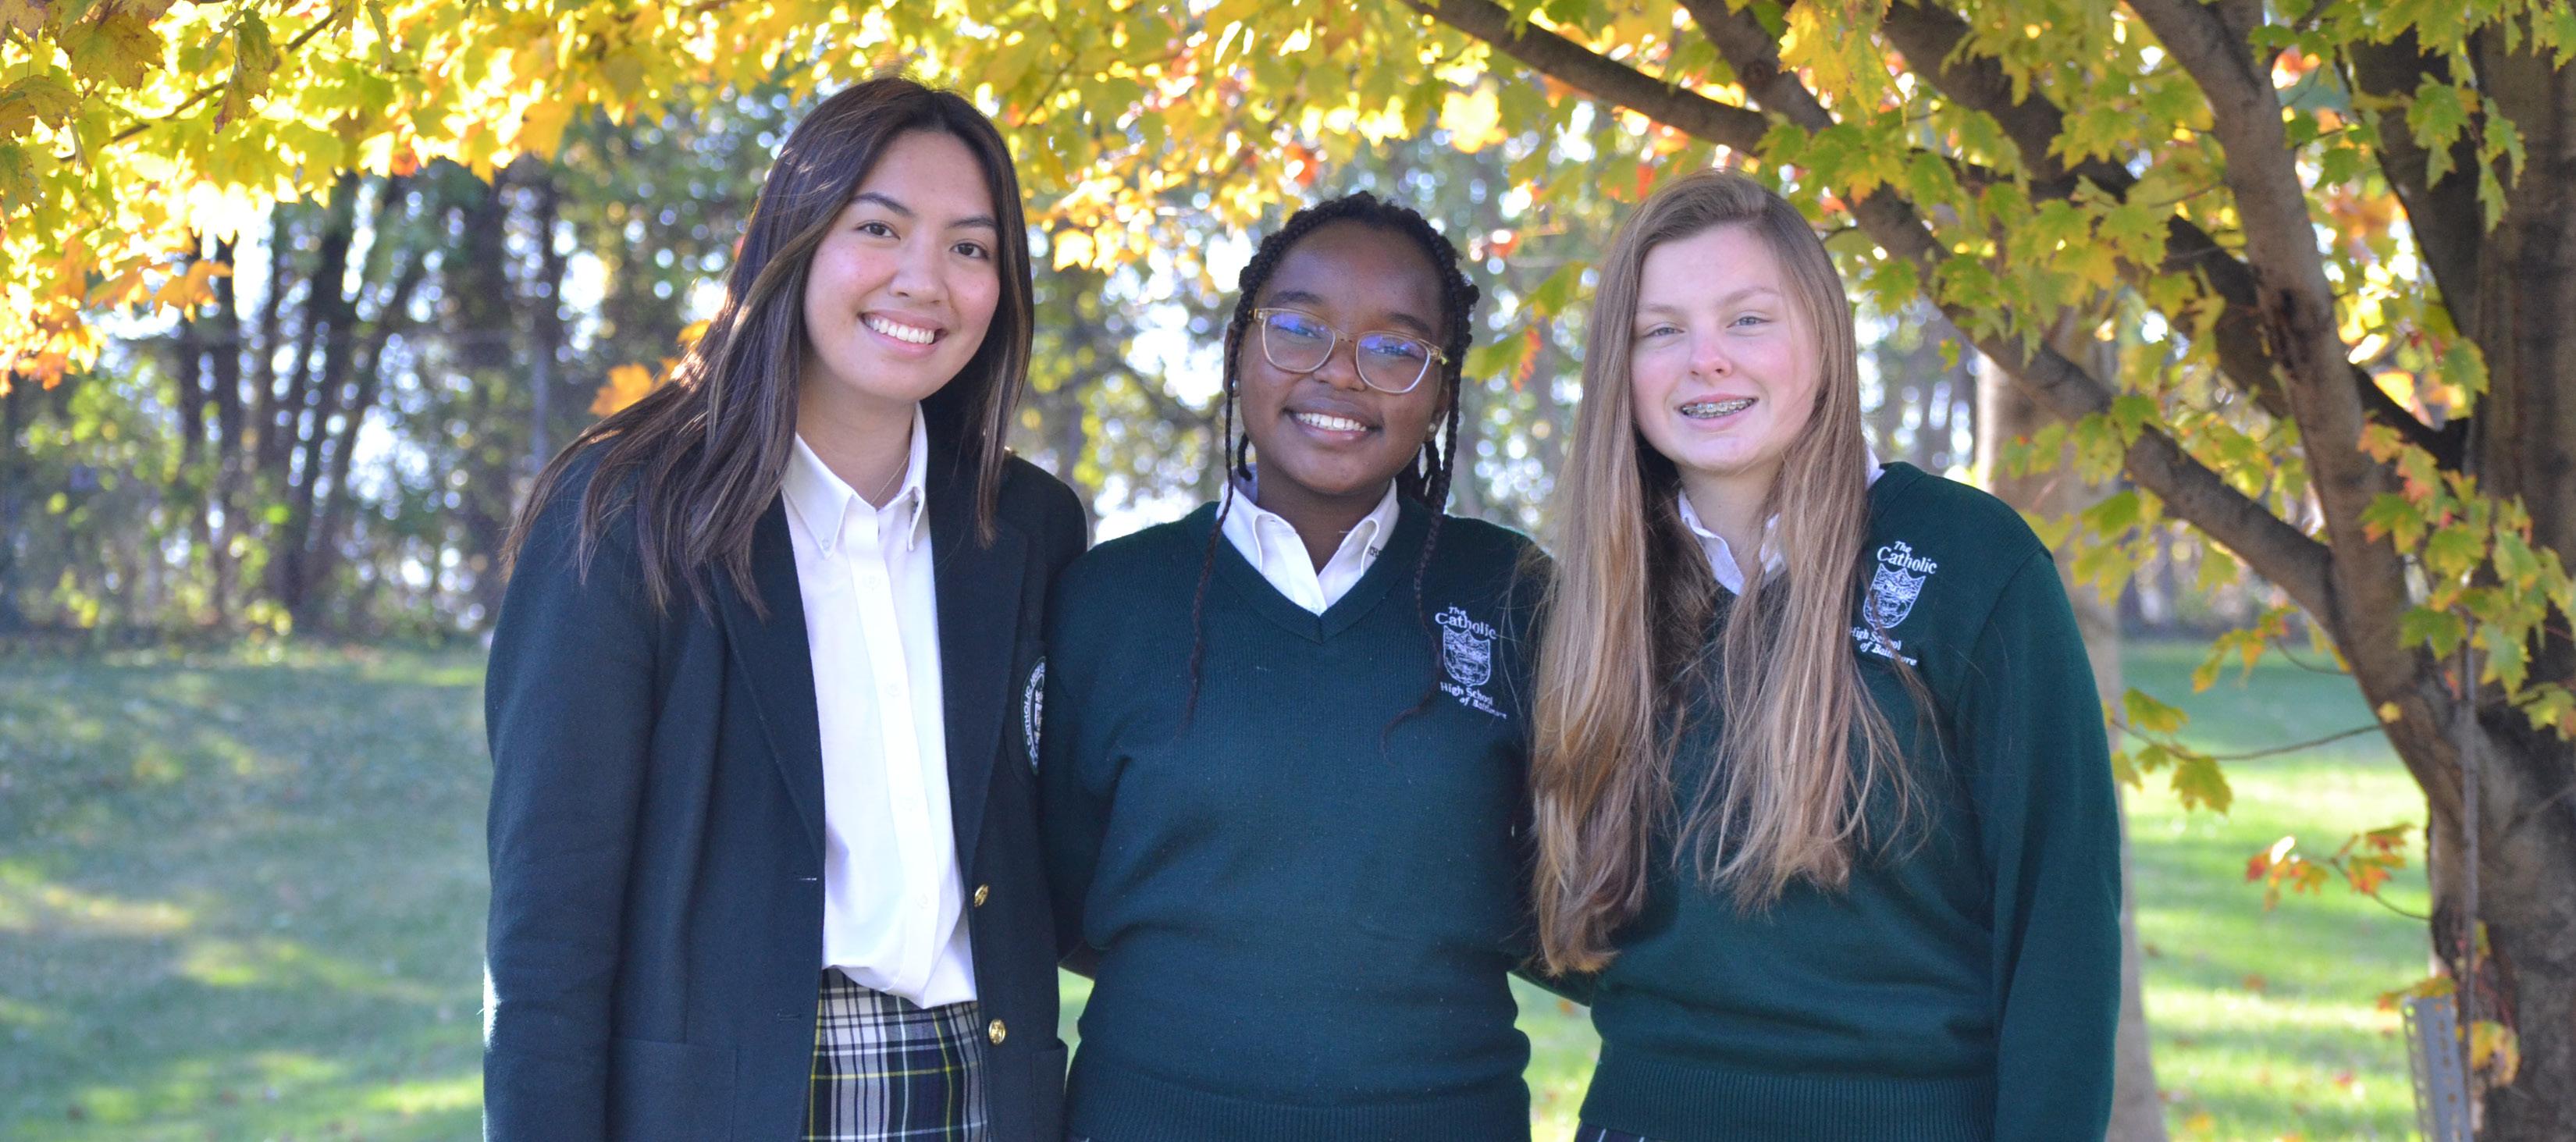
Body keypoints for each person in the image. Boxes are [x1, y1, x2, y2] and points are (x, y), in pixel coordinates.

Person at [482, 77, 1087, 1142]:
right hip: (722, 1105)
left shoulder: (1028, 525)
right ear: (793, 238)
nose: (924, 280)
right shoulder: (628, 509)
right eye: (879, 228)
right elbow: (548, 923)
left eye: (970, 247)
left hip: (984, 1093)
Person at [1531, 169, 2120, 1141]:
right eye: (1660, 331)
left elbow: (2062, 922)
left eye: (1747, 320)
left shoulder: (1969, 561)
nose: (1706, 360)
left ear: (1823, 338)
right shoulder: (1592, 602)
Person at [1038, 191, 1542, 1142]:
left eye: (1395, 347)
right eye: (1301, 328)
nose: (1341, 372)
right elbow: (1060, 899)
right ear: (1240, 348)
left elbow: (1567, 883)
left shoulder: (1511, 592)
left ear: (1441, 392)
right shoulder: (1109, 599)